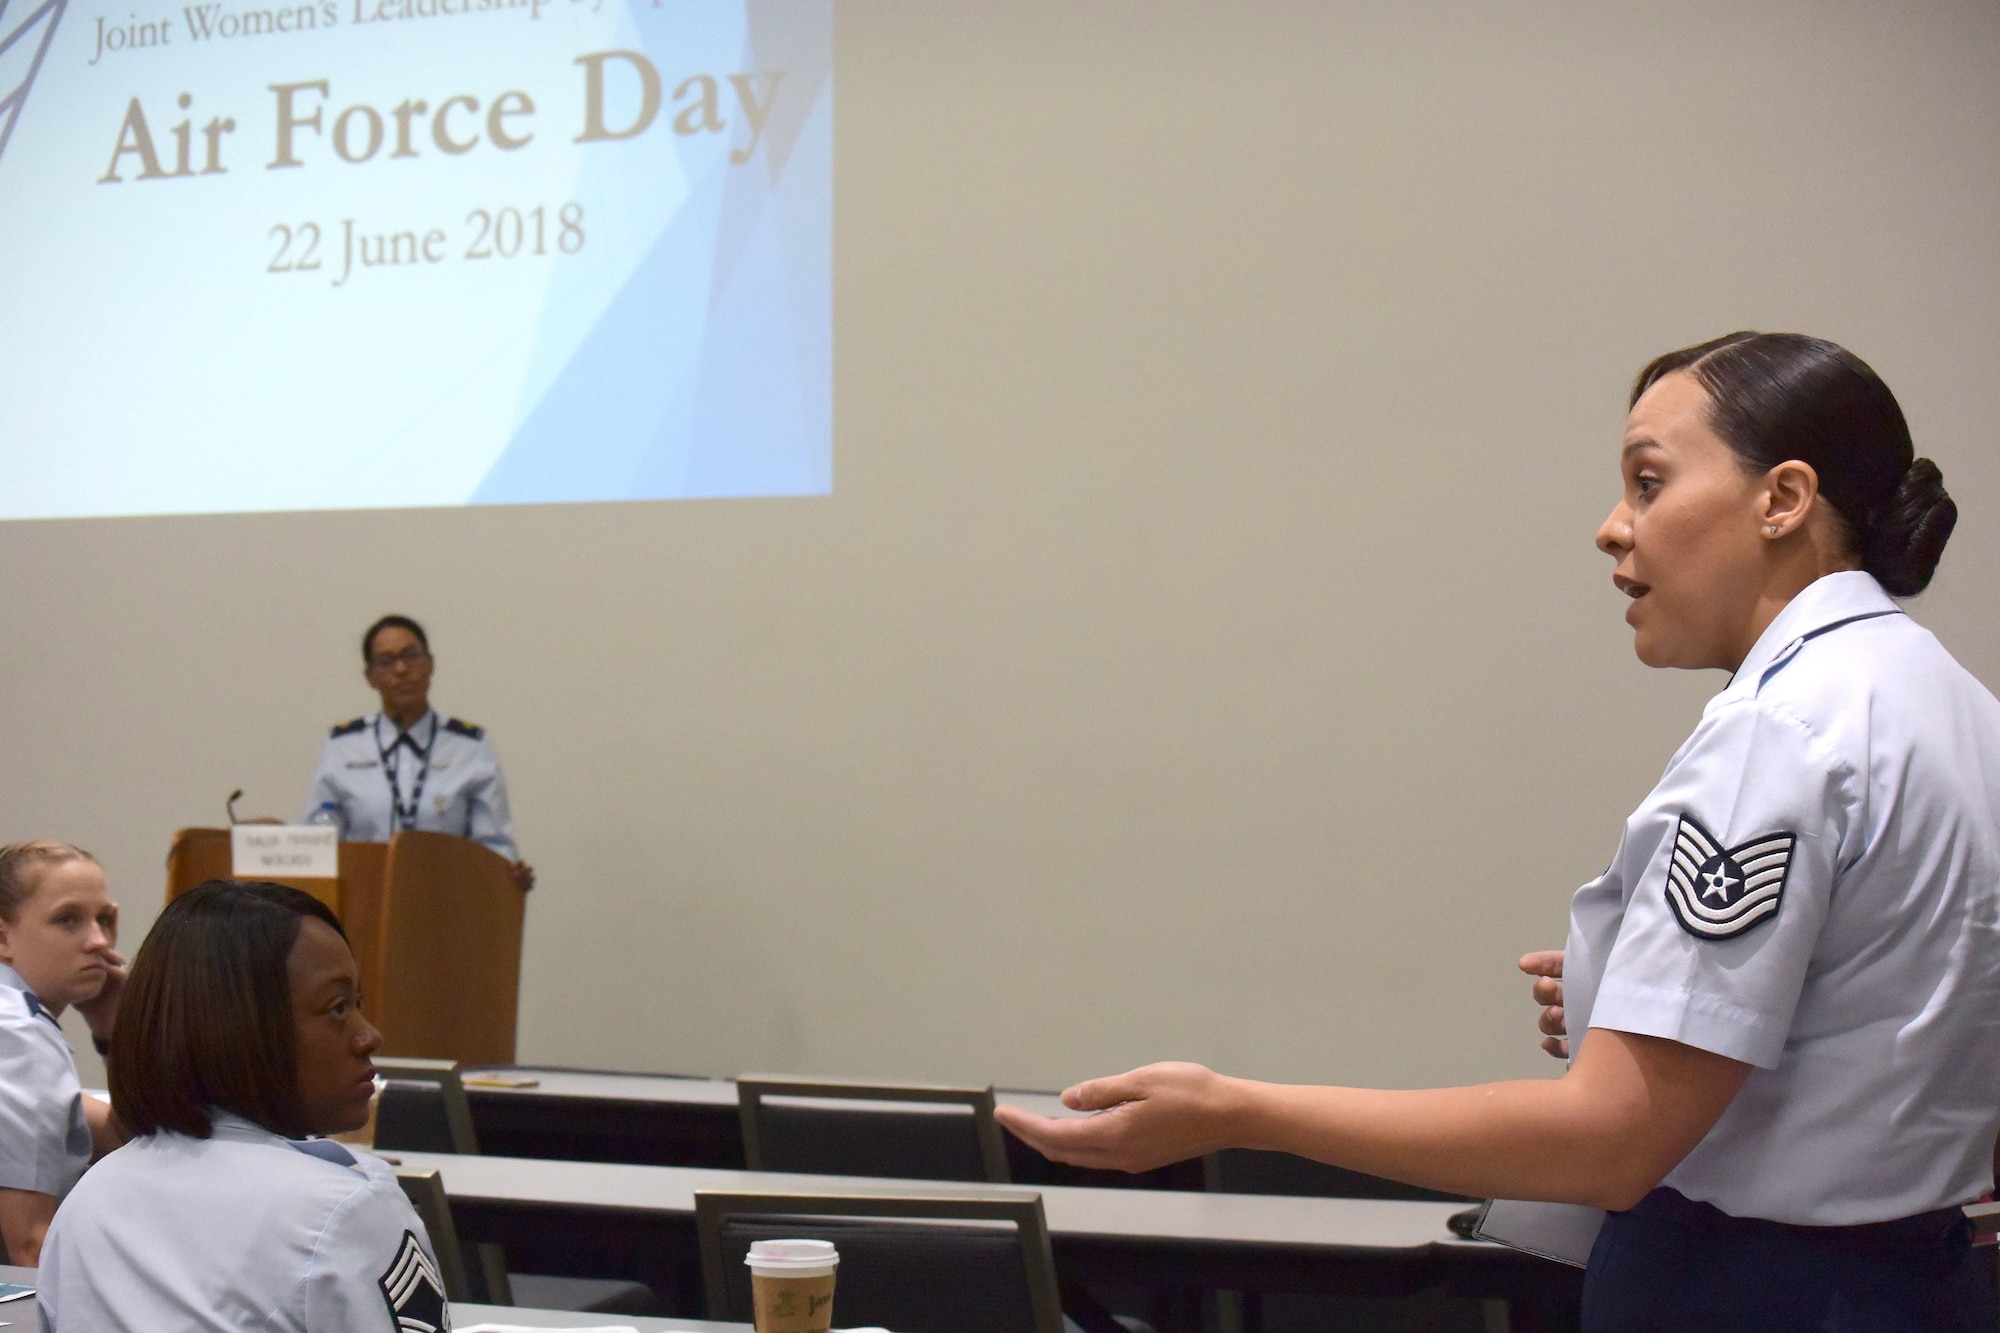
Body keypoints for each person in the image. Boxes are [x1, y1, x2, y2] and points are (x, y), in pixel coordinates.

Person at [995, 333, 2000, 1331]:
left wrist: (1234, 1110)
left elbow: (1611, 1140)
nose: (1611, 529)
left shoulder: (1776, 733)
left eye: (1646, 483)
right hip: (1914, 1279)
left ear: (1781, 498)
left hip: (1751, 1292)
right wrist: (1643, 995)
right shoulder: (1952, 706)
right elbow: (1898, 1008)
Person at [37, 879, 453, 1331]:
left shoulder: (89, 1201)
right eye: (336, 1008)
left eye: (358, 1002)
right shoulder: (347, 1209)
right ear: (238, 1027)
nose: (369, 1035)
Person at [304, 613, 535, 893]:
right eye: (386, 662)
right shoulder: (342, 745)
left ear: (430, 664)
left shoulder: (470, 747)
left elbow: (495, 846)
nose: (401, 669)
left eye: (411, 656)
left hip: (447, 903)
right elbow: (316, 841)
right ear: (370, 677)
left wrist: (507, 873)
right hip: (364, 902)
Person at [0, 841, 124, 1265]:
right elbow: (31, 1245)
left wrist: (113, 1030)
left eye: (104, 919)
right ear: (3, 937)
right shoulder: (18, 1036)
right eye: (67, 920)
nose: (98, 941)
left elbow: (125, 1137)